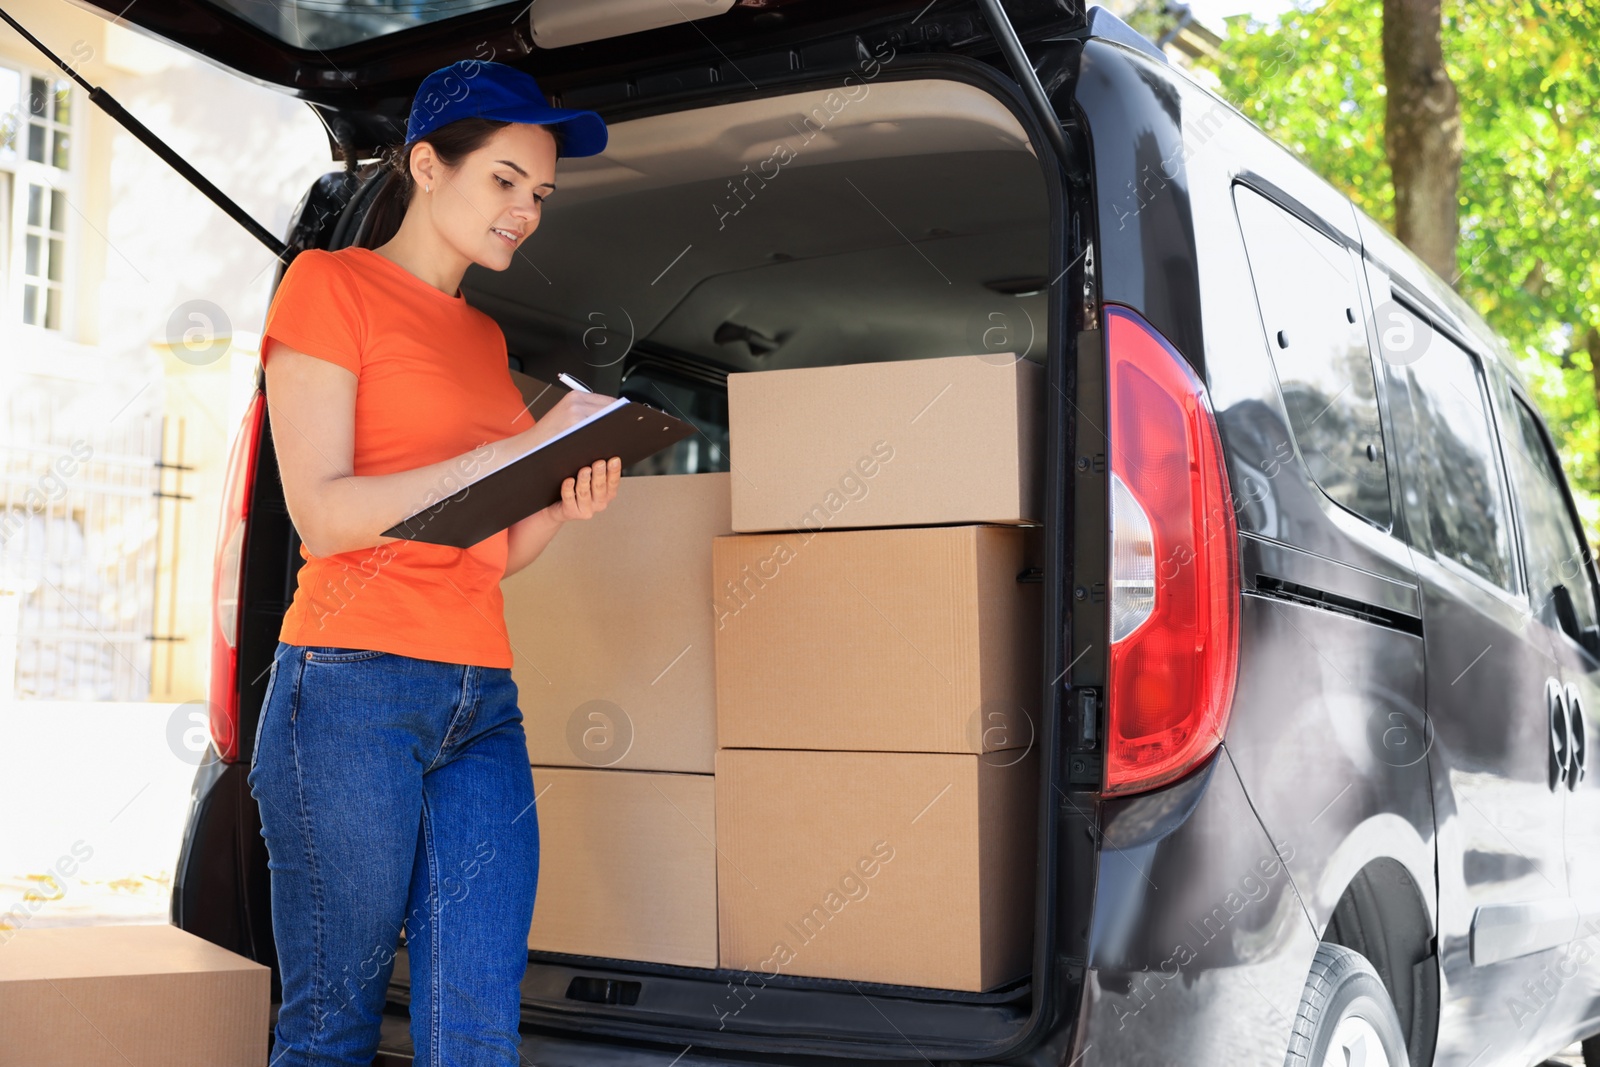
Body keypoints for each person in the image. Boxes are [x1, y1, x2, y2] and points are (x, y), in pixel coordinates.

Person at [247, 60, 616, 1065]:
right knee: (333, 1022)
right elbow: (322, 516)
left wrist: (556, 495)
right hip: (348, 690)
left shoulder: (483, 334)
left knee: (477, 1024)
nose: (525, 211)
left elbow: (480, 552)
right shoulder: (329, 285)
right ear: (425, 163)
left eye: (539, 194)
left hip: (480, 695)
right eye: (503, 180)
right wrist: (506, 453)